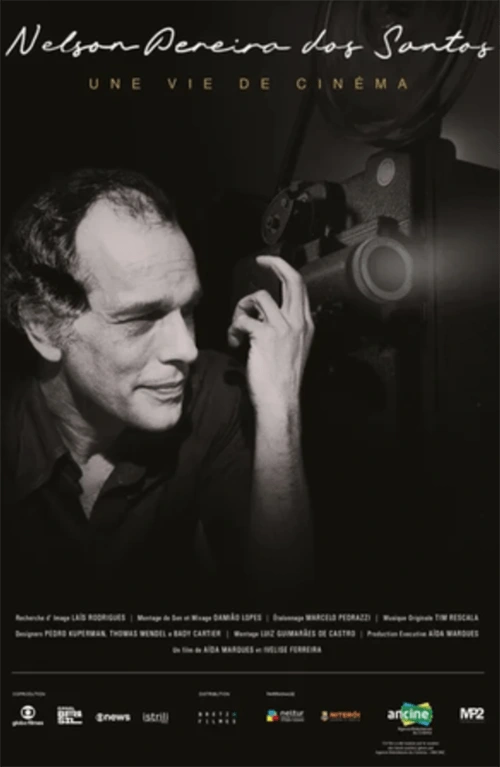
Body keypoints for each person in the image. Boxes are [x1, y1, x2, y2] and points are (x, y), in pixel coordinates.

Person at [1, 168, 315, 609]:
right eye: (142, 319)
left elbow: (283, 611)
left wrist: (281, 405)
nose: (186, 349)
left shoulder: (216, 394)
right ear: (43, 326)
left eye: (187, 311)